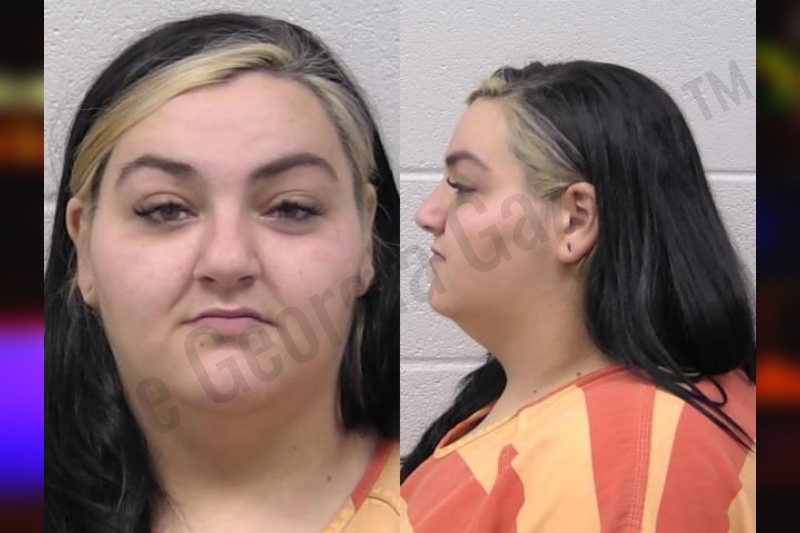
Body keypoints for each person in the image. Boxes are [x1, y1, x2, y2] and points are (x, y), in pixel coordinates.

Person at [44, 13, 401, 533]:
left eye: (291, 208)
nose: (228, 261)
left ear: (367, 236)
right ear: (84, 248)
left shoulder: (470, 501)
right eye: (165, 209)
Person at [401, 60, 756, 532]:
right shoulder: (564, 422)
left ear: (575, 220)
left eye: (463, 187)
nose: (428, 214)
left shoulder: (624, 467)